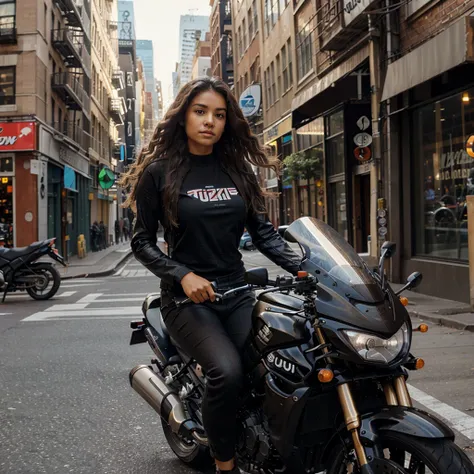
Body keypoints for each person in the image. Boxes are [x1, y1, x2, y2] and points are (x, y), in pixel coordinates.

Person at [121, 77, 302, 474]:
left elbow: (264, 234)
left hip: (237, 292)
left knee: (275, 362)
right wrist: (182, 275)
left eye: (219, 115)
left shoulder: (237, 170)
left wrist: (304, 267)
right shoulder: (160, 172)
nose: (210, 121)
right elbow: (142, 242)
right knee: (227, 370)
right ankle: (225, 465)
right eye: (200, 112)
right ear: (184, 115)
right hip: (187, 300)